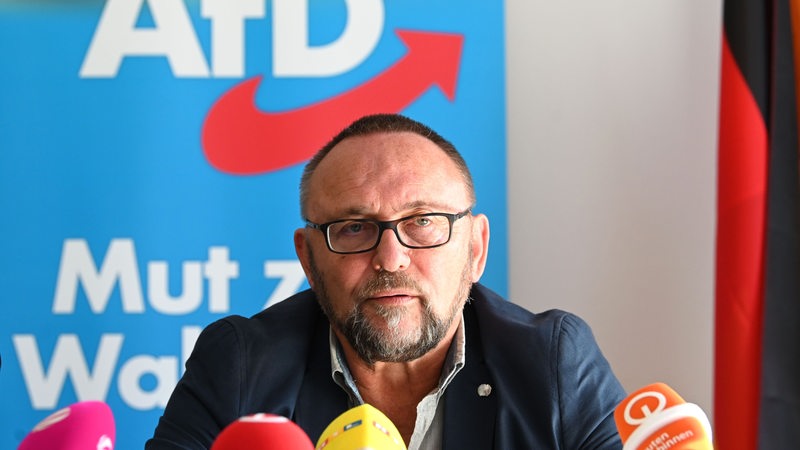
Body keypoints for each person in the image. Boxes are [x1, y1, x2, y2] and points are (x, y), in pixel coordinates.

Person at [146, 113, 626, 449]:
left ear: (476, 249)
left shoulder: (553, 363)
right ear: (309, 261)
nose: (391, 258)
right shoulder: (240, 366)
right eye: (354, 227)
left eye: (422, 221)